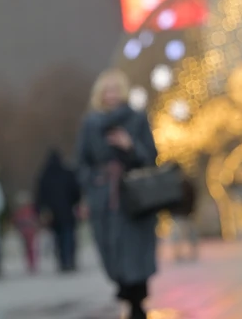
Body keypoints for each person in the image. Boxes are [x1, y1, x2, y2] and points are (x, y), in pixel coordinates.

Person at [76, 69, 158, 319]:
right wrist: (92, 184)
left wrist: (130, 146)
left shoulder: (137, 119)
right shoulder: (90, 124)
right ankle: (124, 290)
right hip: (104, 197)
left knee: (137, 249)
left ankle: (137, 300)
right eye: (106, 91)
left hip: (134, 197)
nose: (111, 95)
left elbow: (151, 157)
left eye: (115, 90)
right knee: (111, 248)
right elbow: (82, 162)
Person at [35, 149, 81, 272]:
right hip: (67, 211)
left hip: (53, 214)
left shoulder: (44, 175)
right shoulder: (67, 173)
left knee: (58, 239)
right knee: (69, 237)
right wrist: (74, 202)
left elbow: (40, 196)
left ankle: (62, 261)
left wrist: (40, 210)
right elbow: (76, 191)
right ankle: (69, 260)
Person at [169, 174, 199, 262]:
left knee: (186, 234)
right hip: (181, 214)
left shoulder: (179, 185)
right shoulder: (178, 185)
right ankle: (179, 253)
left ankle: (187, 252)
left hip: (183, 214)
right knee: (180, 234)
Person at [12, 191, 40, 274]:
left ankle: (32, 263)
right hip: (24, 232)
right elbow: (16, 221)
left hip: (30, 232)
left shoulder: (31, 210)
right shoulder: (20, 212)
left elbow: (35, 220)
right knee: (28, 248)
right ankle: (30, 263)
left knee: (31, 248)